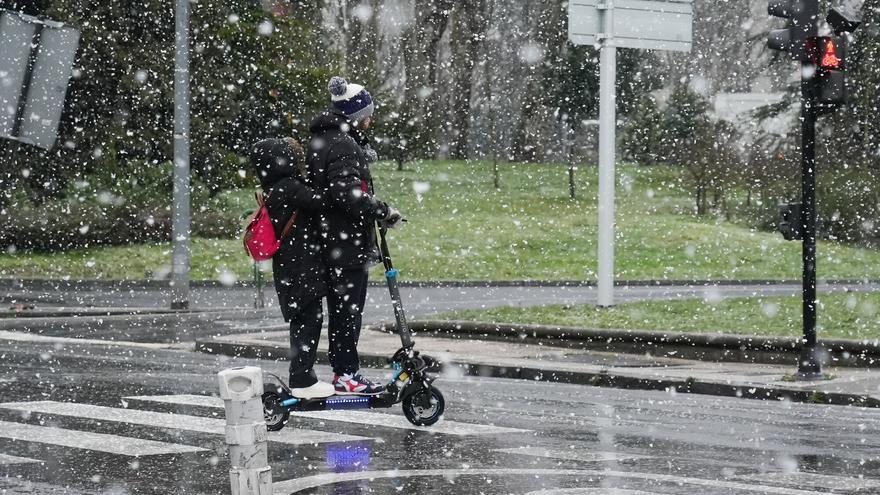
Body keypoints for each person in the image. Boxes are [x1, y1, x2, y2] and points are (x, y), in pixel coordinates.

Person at [307, 76, 403, 395]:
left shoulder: (325, 139)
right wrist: (382, 210)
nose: (371, 120)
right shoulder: (343, 144)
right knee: (347, 311)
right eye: (368, 114)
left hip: (330, 239)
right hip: (345, 242)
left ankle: (338, 372)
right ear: (357, 116)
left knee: (340, 310)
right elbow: (346, 193)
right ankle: (346, 374)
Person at [250, 137, 335, 399]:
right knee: (308, 323)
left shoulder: (275, 188)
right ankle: (302, 379)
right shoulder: (289, 188)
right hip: (301, 269)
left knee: (304, 322)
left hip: (291, 268)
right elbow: (323, 200)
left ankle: (303, 376)